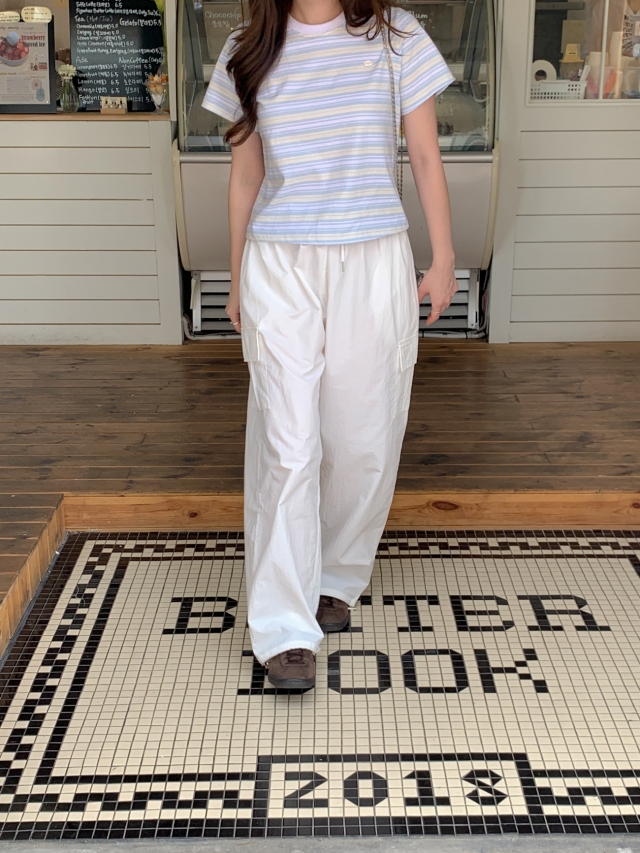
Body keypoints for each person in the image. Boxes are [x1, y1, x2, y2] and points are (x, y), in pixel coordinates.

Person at [203, 0, 457, 690]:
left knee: (363, 437)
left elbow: (425, 154)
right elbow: (246, 175)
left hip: (372, 259)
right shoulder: (247, 49)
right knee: (288, 444)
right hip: (280, 262)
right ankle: (283, 627)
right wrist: (236, 277)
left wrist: (442, 257)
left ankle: (335, 577)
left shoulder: (396, 36)